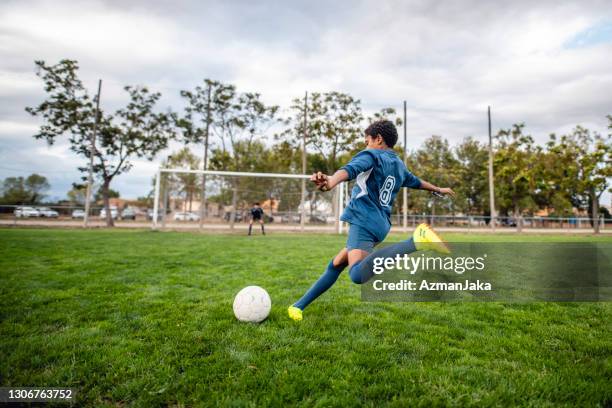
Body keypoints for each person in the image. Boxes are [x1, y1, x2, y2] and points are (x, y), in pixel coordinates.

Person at [288, 120, 455, 321]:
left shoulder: (372, 155)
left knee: (357, 275)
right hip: (380, 224)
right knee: (336, 264)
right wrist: (438, 190)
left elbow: (350, 169)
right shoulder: (399, 165)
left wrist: (331, 181)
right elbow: (417, 182)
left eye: (367, 140)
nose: (365, 145)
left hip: (364, 220)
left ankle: (415, 242)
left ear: (378, 139)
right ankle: (298, 307)